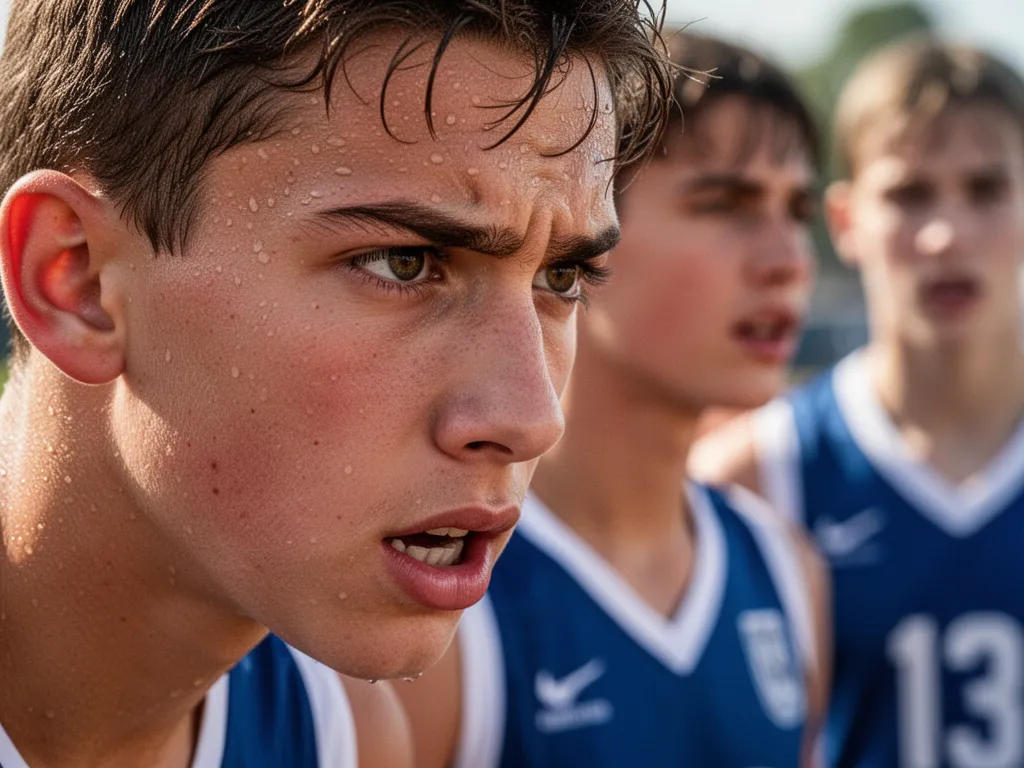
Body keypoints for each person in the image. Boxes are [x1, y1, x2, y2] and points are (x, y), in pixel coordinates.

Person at [0, 1, 672, 766]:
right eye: (405, 262)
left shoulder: (347, 735)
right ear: (76, 280)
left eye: (563, 275)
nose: (533, 417)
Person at [398, 34, 830, 768]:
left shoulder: (787, 572)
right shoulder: (438, 587)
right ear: (582, 226)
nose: (787, 259)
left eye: (797, 209)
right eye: (725, 203)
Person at [695, 37, 1024, 768]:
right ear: (845, 222)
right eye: (909, 194)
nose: (946, 233)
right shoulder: (759, 471)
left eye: (986, 190)